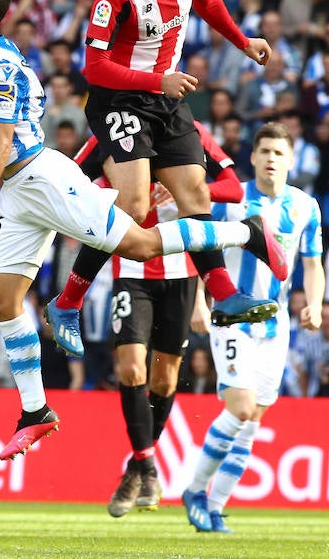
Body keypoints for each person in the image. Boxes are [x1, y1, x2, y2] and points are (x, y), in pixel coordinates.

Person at [0, 0, 285, 460]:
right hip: (19, 193)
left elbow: (1, 146)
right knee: (3, 300)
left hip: (41, 178)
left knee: (140, 243)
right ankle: (35, 411)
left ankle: (244, 232)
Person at [45, 0, 280, 361]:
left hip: (166, 97)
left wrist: (243, 40)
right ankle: (68, 301)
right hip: (120, 99)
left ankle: (225, 296)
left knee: (196, 200)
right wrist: (159, 81)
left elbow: (209, 2)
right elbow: (94, 67)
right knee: (134, 205)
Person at [182, 122, 324, 534]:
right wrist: (197, 302)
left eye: (279, 153)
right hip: (231, 316)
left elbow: (313, 263)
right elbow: (200, 245)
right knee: (240, 408)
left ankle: (215, 506)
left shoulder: (305, 207)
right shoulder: (233, 197)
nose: (271, 159)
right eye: (265, 152)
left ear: (291, 161)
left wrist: (314, 303)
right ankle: (195, 490)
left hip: (275, 322)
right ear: (254, 158)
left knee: (254, 418)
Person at [102, 121, 242, 517]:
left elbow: (232, 188)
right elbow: (73, 182)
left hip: (182, 274)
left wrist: (188, 190)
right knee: (131, 368)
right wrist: (110, 195)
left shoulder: (191, 131)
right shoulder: (115, 124)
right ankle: (147, 466)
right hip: (132, 270)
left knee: (164, 378)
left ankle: (137, 469)